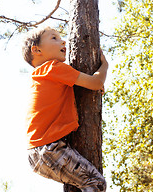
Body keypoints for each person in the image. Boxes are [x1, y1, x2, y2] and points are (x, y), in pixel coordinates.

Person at [22, 26, 108, 192]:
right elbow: (95, 82)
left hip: (40, 151)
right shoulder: (53, 67)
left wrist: (93, 86)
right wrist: (104, 65)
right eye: (54, 38)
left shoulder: (45, 75)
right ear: (37, 49)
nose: (63, 41)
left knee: (79, 186)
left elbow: (78, 90)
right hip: (48, 149)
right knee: (95, 183)